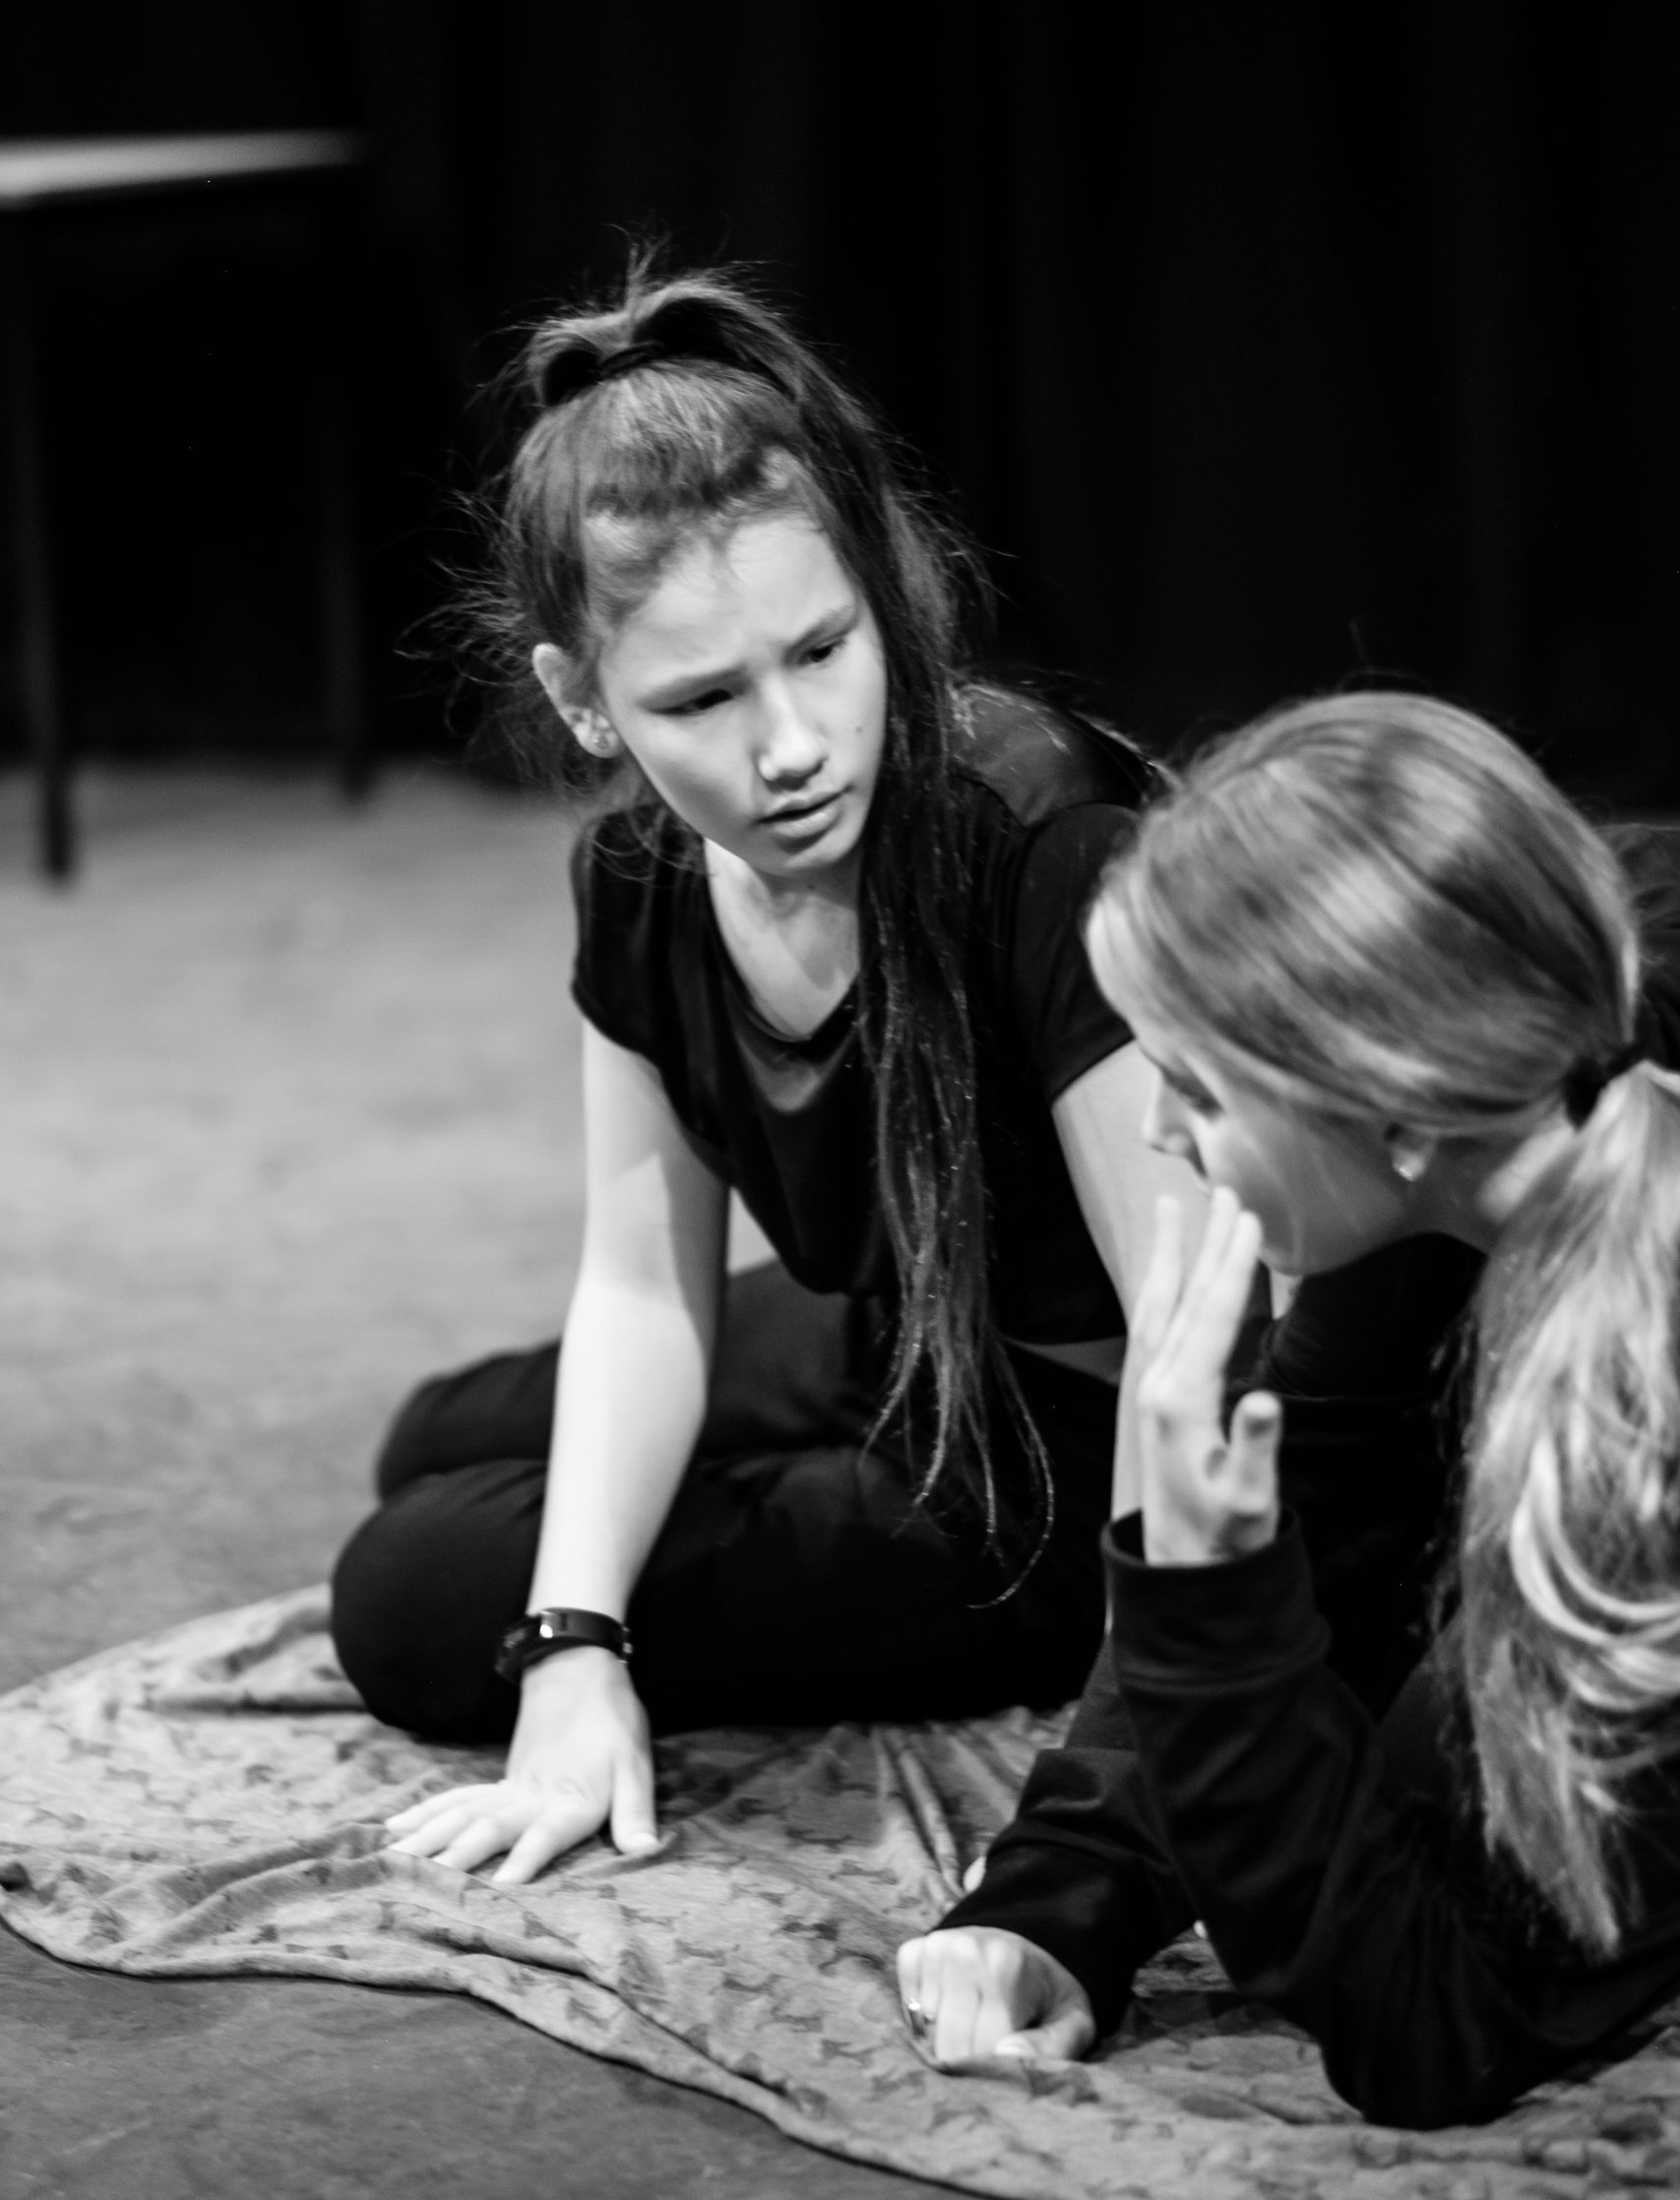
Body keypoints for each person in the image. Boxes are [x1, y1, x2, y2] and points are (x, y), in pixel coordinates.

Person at [332, 264, 1205, 1887]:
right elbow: (642, 1285)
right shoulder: (641, 883)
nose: (793, 744)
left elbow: (1190, 1340)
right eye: (704, 697)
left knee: (411, 1591)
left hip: (1070, 1448)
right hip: (898, 1332)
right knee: (441, 1436)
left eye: (822, 649)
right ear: (583, 702)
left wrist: (1118, 1788)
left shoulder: (1045, 840)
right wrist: (575, 1645)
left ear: (885, 595)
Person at [900, 691, 1680, 2128]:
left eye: (1198, 1088)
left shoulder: (1642, 1450)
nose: (1156, 1131)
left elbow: (1429, 2026)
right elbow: (1328, 1470)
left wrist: (1215, 1607)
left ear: (1394, 1104)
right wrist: (1063, 1890)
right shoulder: (1521, 1015)